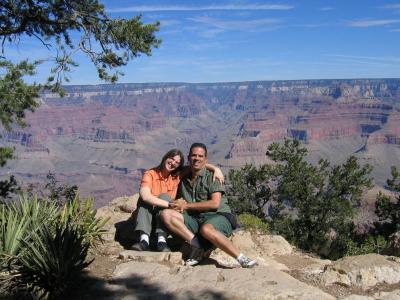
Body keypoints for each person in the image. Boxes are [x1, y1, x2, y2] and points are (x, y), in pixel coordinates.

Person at [161, 143, 257, 268]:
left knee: (206, 229)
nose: (197, 158)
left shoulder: (212, 176)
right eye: (194, 155)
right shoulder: (183, 176)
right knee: (166, 214)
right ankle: (199, 246)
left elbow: (215, 204)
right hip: (195, 218)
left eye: (200, 156)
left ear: (206, 160)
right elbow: (165, 172)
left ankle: (241, 258)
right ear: (189, 157)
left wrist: (186, 206)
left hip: (218, 215)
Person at [131, 148, 224, 252]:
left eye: (177, 163)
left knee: (164, 196)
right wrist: (170, 204)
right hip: (147, 217)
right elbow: (145, 196)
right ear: (165, 157)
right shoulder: (150, 174)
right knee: (146, 201)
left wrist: (216, 169)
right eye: (171, 159)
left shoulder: (177, 175)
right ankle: (144, 240)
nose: (173, 163)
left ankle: (161, 241)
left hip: (163, 219)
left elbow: (198, 164)